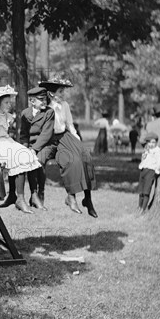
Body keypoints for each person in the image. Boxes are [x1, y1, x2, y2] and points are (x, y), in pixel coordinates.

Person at [39, 78, 98, 218]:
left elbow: (70, 124)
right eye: (60, 91)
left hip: (64, 135)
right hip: (51, 138)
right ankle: (71, 196)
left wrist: (77, 140)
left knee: (85, 155)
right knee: (71, 160)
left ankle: (87, 198)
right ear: (51, 94)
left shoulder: (64, 105)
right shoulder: (45, 108)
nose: (63, 94)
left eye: (63, 91)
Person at [0, 86, 42, 214]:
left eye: (10, 102)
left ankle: (20, 195)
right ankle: (19, 198)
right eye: (6, 102)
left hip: (7, 141)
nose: (9, 104)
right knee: (19, 157)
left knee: (27, 154)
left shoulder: (7, 116)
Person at [18, 87, 56, 210]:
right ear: (32, 101)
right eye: (41, 99)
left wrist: (33, 149)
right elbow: (23, 134)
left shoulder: (49, 112)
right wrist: (25, 148)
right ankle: (33, 194)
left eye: (45, 99)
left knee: (38, 162)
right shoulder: (25, 114)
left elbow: (46, 134)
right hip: (30, 146)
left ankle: (40, 193)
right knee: (27, 161)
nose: (44, 102)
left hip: (46, 145)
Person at [137, 132, 160, 213]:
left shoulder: (157, 151)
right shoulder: (147, 150)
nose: (151, 144)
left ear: (156, 142)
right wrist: (143, 159)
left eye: (153, 142)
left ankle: (143, 209)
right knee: (141, 190)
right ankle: (139, 206)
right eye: (149, 142)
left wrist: (157, 171)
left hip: (150, 171)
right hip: (143, 170)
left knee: (146, 191)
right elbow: (144, 160)